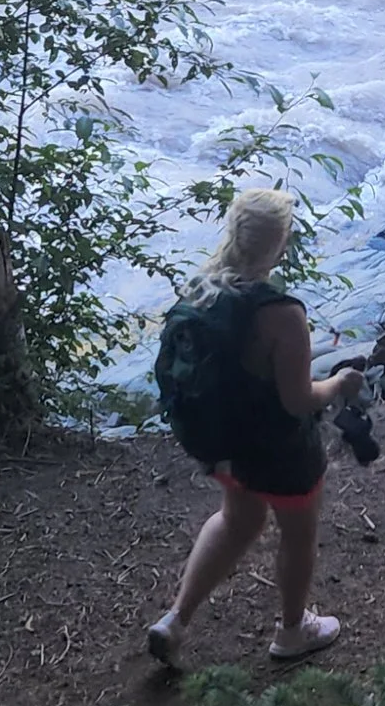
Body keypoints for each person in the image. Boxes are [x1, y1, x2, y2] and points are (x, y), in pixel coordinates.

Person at [148, 187, 365, 668]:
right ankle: (292, 631)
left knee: (236, 520)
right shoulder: (283, 315)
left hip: (221, 440)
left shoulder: (202, 286)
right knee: (298, 533)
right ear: (281, 244)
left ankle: (176, 619)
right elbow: (297, 400)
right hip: (278, 451)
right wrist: (339, 383)